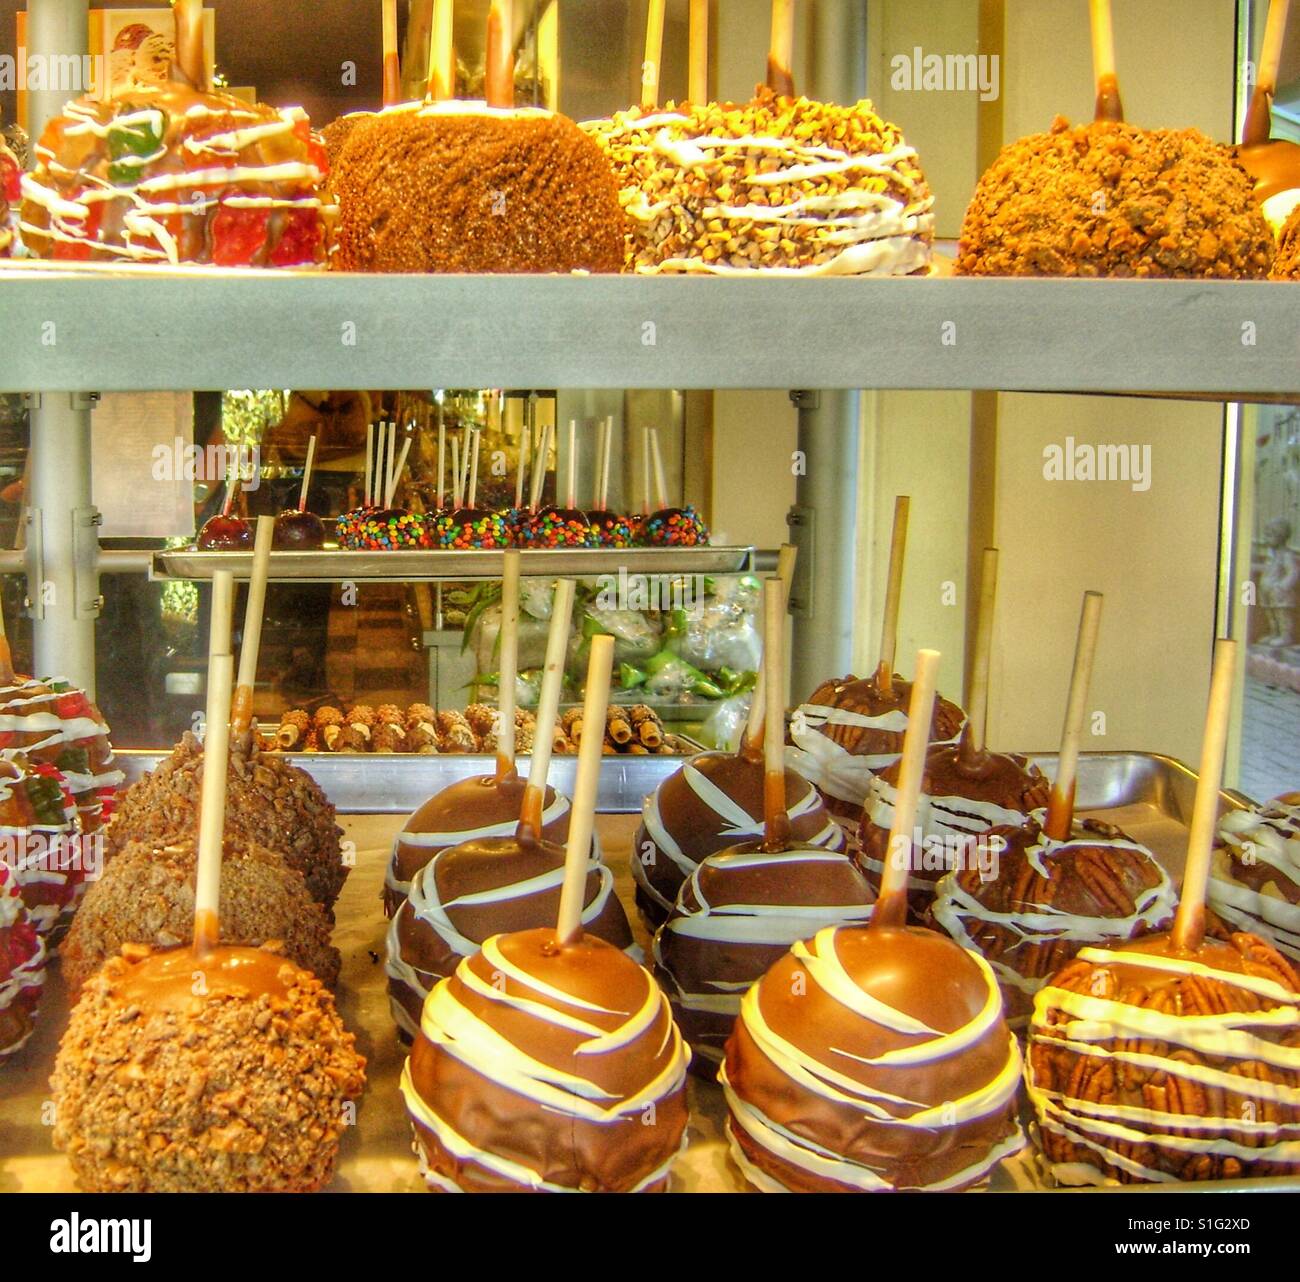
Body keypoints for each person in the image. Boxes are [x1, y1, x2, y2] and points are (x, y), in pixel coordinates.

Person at [1259, 516, 1299, 648]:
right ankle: (1274, 633)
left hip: (1279, 591)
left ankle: (1285, 636)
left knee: (1281, 614)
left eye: (1270, 535)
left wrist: (1283, 586)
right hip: (1267, 590)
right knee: (1270, 613)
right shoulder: (1271, 554)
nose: (1266, 539)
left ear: (1280, 537)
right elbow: (1268, 569)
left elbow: (1293, 572)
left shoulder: (1286, 555)